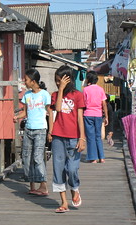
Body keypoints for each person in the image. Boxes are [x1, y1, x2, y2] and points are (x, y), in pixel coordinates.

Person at [49, 65, 86, 213]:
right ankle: (64, 202)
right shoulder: (54, 95)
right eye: (57, 81)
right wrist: (60, 91)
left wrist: (82, 138)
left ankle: (75, 189)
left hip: (73, 137)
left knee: (71, 169)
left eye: (60, 80)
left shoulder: (78, 95)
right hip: (58, 136)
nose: (58, 83)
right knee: (58, 170)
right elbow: (57, 109)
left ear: (68, 79)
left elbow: (80, 118)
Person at [13, 69, 52, 196]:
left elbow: (50, 113)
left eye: (26, 80)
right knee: (26, 156)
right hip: (28, 129)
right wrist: (17, 117)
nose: (25, 82)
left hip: (40, 129)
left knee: (37, 157)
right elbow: (25, 112)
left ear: (33, 81)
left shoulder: (45, 94)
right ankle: (32, 185)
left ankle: (43, 185)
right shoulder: (27, 95)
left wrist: (50, 131)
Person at [83, 71, 108, 163]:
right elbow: (104, 104)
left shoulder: (85, 90)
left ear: (88, 79)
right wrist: (106, 117)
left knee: (90, 137)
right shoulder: (100, 89)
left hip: (88, 114)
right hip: (98, 114)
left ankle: (93, 158)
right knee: (98, 136)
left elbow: (84, 103)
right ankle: (101, 157)